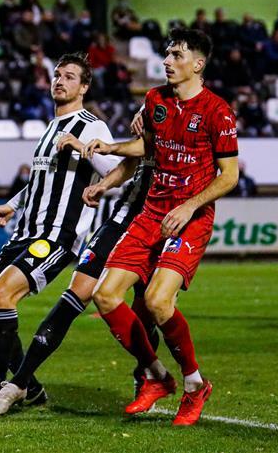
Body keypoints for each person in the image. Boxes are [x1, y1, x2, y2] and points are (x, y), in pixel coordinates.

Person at [86, 28, 239, 426]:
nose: (167, 61)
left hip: (189, 218)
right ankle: (156, 376)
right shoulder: (155, 100)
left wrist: (190, 206)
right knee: (105, 297)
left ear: (198, 64)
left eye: (176, 55)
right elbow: (150, 147)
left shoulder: (217, 111)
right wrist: (112, 147)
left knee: (156, 302)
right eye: (166, 54)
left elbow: (229, 175)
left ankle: (194, 385)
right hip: (152, 212)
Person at [0, 53, 122, 412]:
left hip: (57, 234)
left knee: (3, 296)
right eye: (57, 75)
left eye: (69, 77)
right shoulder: (50, 128)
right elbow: (40, 181)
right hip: (25, 230)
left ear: (84, 86)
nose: (60, 81)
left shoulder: (92, 126)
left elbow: (118, 171)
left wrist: (81, 148)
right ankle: (27, 385)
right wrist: (13, 205)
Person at [0, 156, 157, 414]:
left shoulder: (197, 125)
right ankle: (20, 382)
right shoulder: (149, 116)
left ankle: (148, 373)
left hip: (162, 222)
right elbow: (134, 156)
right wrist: (105, 180)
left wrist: (89, 148)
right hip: (122, 218)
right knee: (76, 293)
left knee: (147, 314)